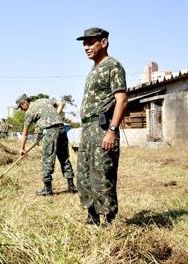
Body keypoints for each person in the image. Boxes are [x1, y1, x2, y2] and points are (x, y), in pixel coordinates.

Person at [76, 27, 128, 226]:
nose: (86, 47)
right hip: (88, 130)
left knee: (102, 176)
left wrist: (112, 131)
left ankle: (108, 222)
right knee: (85, 176)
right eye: (84, 44)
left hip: (102, 128)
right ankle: (92, 218)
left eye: (90, 42)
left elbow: (122, 100)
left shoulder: (113, 66)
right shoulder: (93, 69)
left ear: (103, 42)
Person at [16, 94, 76, 196]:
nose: (22, 110)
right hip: (61, 128)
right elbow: (61, 104)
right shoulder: (44, 100)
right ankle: (71, 186)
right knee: (64, 157)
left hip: (50, 131)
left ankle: (47, 189)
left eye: (21, 107)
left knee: (47, 159)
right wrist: (55, 118)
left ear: (25, 103)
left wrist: (22, 148)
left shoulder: (29, 112)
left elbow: (25, 133)